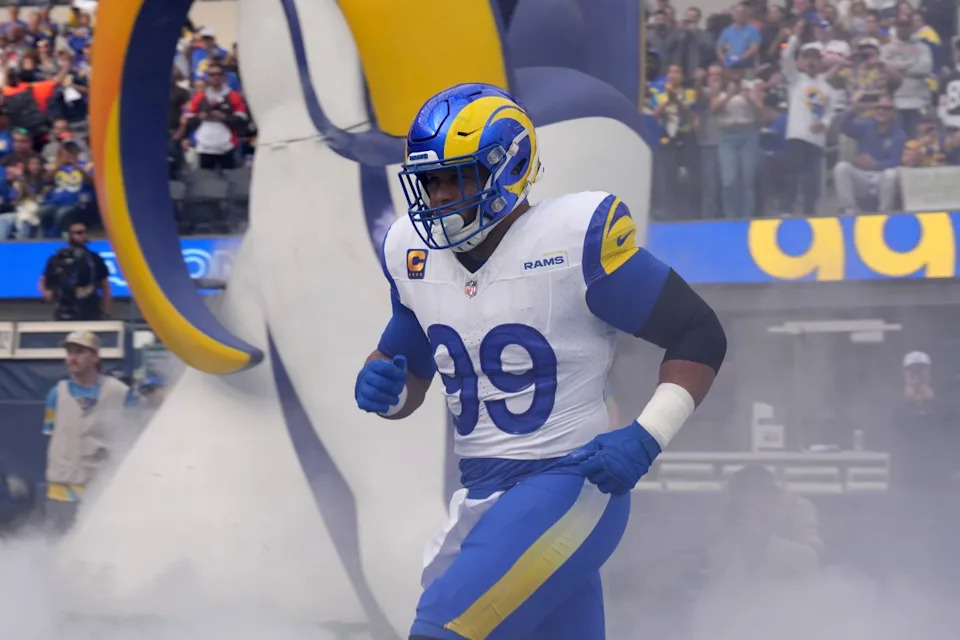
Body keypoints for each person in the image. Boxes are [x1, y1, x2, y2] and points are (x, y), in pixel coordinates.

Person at [354, 84, 727, 640]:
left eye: (457, 176)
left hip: (568, 480)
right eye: (429, 180)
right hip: (482, 490)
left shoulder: (573, 238)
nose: (438, 196)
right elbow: (407, 364)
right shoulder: (410, 252)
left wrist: (649, 435)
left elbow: (698, 332)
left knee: (442, 632)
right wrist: (384, 384)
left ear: (508, 169)